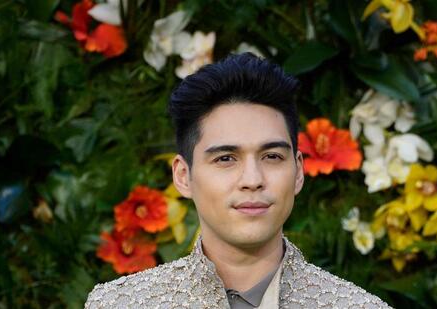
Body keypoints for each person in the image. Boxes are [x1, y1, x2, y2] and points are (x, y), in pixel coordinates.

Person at [85, 53, 390, 308]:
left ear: (298, 172)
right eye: (225, 159)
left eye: (272, 156)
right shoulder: (118, 304)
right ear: (183, 176)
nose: (253, 180)